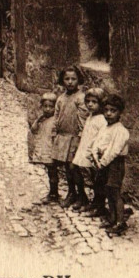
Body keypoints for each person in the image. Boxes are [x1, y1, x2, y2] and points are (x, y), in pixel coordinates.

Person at [89, 93, 130, 235]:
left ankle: (120, 222)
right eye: (106, 110)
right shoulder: (104, 128)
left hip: (114, 164)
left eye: (113, 111)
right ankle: (112, 218)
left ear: (120, 112)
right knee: (106, 190)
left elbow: (114, 150)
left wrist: (103, 163)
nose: (109, 114)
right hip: (103, 162)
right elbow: (96, 143)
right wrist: (95, 156)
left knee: (114, 191)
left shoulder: (121, 131)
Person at [51, 64, 88, 208]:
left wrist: (80, 137)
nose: (70, 82)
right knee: (67, 168)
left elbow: (83, 120)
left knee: (74, 167)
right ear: (62, 80)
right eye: (67, 79)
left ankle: (82, 195)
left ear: (79, 80)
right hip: (63, 136)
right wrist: (55, 133)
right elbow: (57, 117)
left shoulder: (81, 98)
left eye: (73, 79)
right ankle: (71, 192)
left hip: (74, 137)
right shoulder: (61, 98)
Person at [72, 87, 107, 213]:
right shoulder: (90, 117)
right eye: (88, 101)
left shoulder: (102, 120)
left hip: (91, 153)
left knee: (96, 180)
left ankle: (98, 205)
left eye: (94, 102)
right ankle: (83, 199)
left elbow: (101, 139)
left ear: (101, 103)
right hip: (83, 150)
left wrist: (94, 153)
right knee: (75, 171)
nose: (90, 104)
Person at [28, 92, 58, 204]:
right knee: (50, 172)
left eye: (51, 107)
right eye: (45, 106)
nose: (47, 109)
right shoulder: (42, 119)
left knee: (53, 172)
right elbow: (33, 130)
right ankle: (52, 192)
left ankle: (54, 193)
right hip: (45, 149)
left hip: (51, 150)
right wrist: (38, 120)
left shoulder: (55, 120)